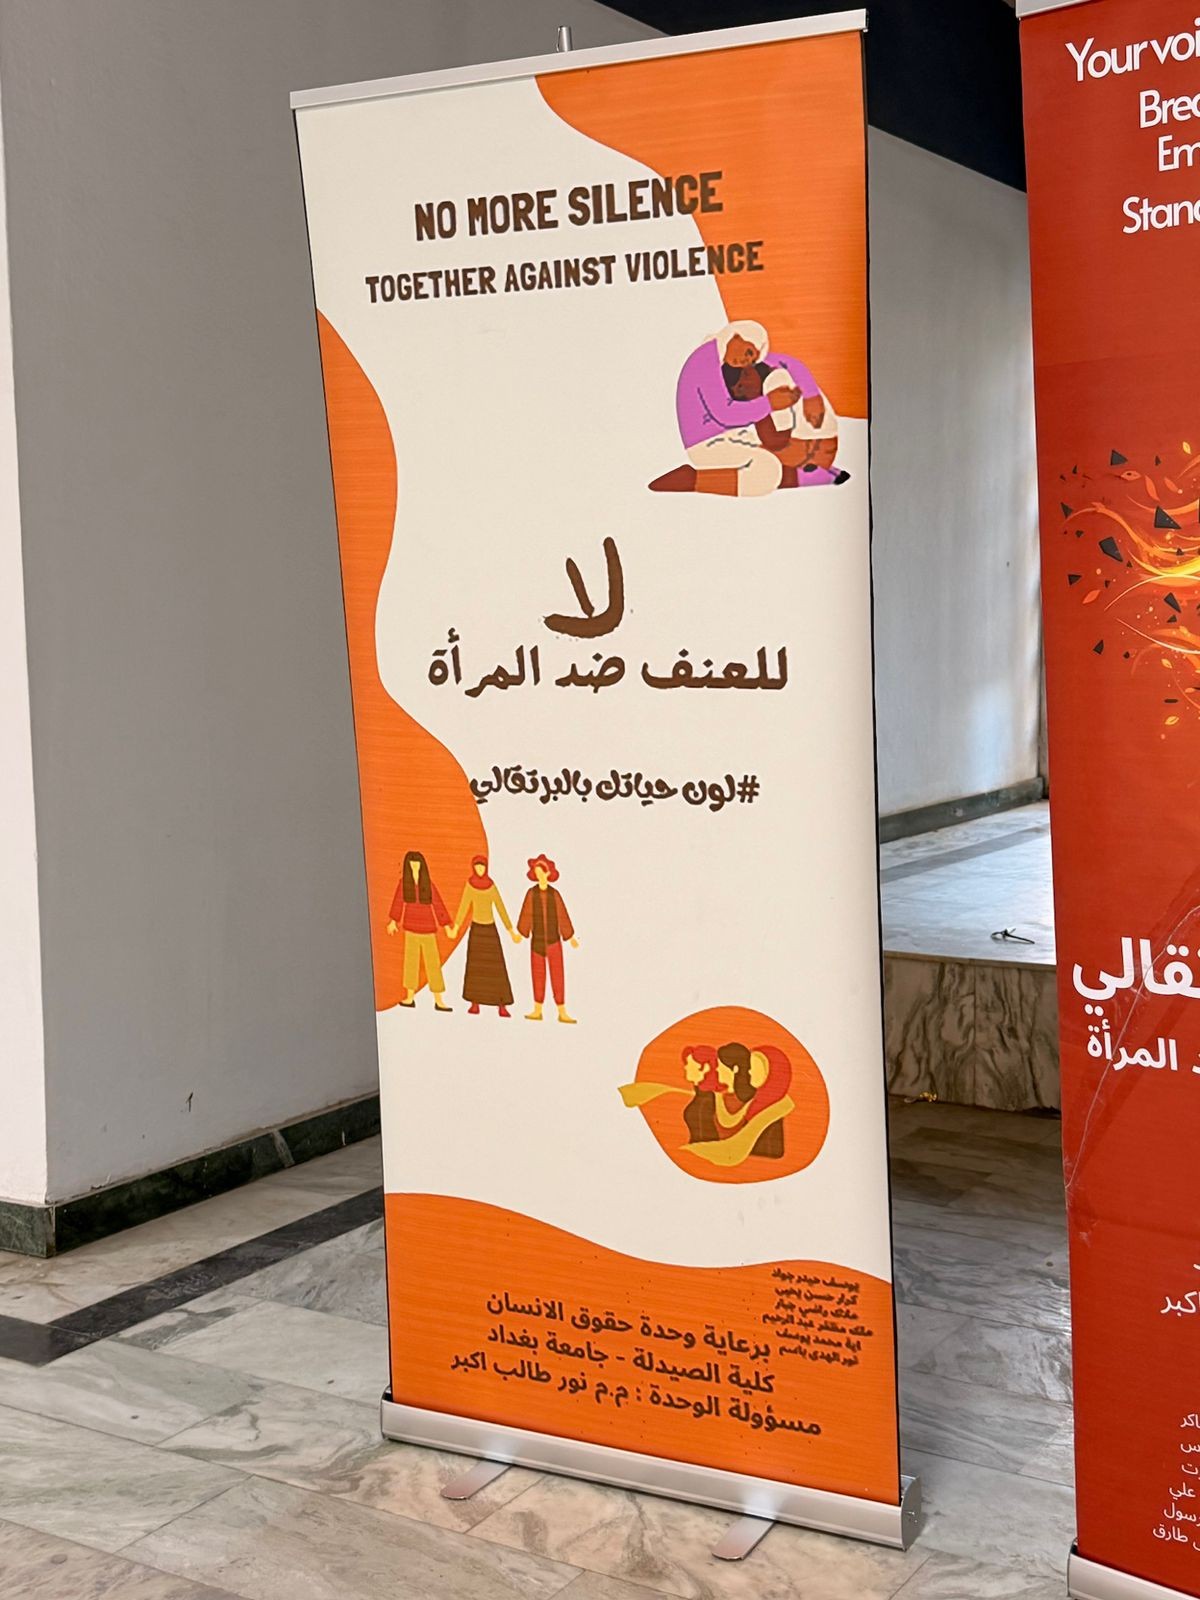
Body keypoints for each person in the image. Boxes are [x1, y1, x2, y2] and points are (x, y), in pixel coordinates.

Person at [649, 320, 846, 497]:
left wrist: (811, 396)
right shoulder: (706, 360)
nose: (746, 362)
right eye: (749, 353)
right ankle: (693, 480)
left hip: (728, 436)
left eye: (752, 361)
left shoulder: (719, 357)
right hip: (705, 444)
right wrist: (769, 403)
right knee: (767, 471)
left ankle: (815, 473)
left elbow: (789, 363)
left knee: (773, 458)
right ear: (737, 336)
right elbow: (725, 414)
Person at [449, 853, 519, 1017]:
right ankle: (475, 1002)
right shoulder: (470, 885)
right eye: (477, 867)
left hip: (490, 930)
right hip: (476, 930)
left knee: (496, 968)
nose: (480, 870)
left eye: (482, 867)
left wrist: (511, 931)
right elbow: (463, 907)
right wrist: (456, 928)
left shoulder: (491, 886)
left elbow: (500, 908)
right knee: (476, 968)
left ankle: (501, 1004)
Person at [386, 850, 453, 1012]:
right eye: (411, 864)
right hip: (410, 928)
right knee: (411, 964)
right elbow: (398, 902)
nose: (414, 867)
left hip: (428, 928)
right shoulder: (404, 884)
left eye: (417, 864)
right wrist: (393, 921)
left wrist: (446, 926)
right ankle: (410, 997)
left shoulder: (428, 884)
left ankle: (438, 1000)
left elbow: (438, 905)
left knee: (433, 964)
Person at [516, 854, 578, 1024]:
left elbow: (562, 914)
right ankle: (538, 1010)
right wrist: (521, 933)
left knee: (557, 975)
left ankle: (562, 1011)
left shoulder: (554, 894)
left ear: (548, 873)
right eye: (537, 872)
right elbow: (527, 914)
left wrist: (570, 936)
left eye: (541, 872)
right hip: (536, 941)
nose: (540, 875)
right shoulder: (531, 893)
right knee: (538, 975)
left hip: (553, 940)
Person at [681, 1045, 722, 1143]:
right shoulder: (701, 1096)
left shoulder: (707, 1100)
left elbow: (705, 1138)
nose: (686, 1067)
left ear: (705, 1068)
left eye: (690, 1064)